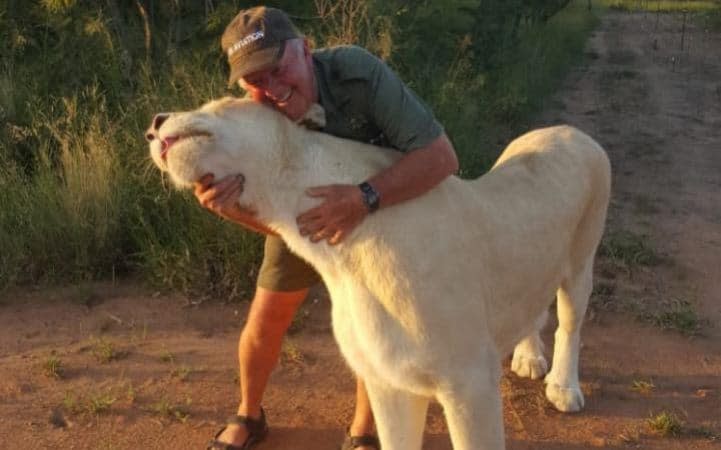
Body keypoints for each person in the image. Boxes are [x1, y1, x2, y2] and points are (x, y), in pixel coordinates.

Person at [200, 6, 459, 450]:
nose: (273, 89)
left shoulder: (356, 72)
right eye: (255, 80)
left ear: (305, 49)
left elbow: (441, 158)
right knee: (267, 316)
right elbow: (268, 216)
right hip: (305, 220)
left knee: (372, 317)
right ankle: (249, 413)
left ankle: (363, 428)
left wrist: (363, 199)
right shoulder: (254, 115)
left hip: (377, 210)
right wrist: (227, 209)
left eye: (278, 69)